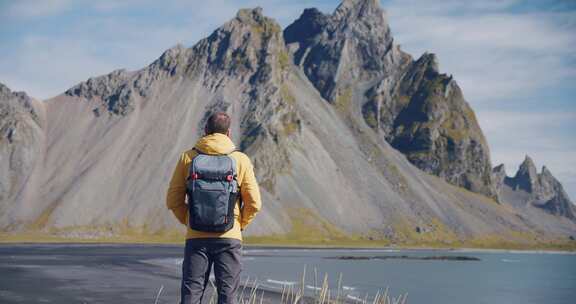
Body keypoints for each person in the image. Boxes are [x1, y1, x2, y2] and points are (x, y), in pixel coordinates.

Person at [166, 112, 262, 304]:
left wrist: (190, 220)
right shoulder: (240, 160)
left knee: (191, 295)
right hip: (229, 237)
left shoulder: (188, 157)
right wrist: (238, 224)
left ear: (205, 131)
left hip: (196, 238)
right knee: (227, 297)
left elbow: (173, 200)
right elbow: (254, 203)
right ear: (228, 133)